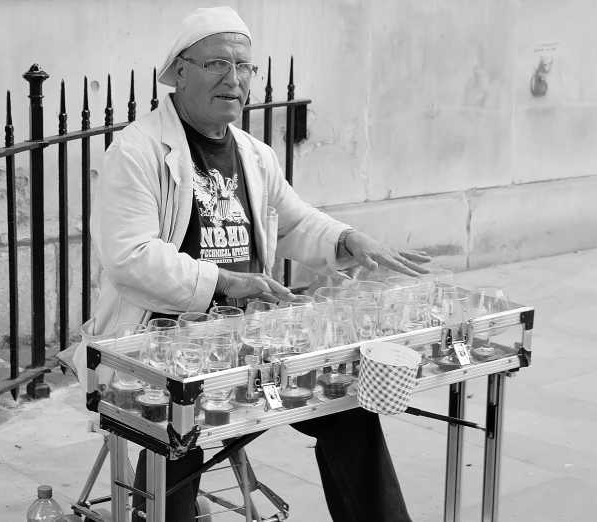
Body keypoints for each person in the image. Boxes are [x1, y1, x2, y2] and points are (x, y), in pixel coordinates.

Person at [72, 6, 430, 522]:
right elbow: (130, 258)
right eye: (217, 64)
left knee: (350, 407)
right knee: (175, 444)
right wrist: (225, 282)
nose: (234, 79)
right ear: (178, 72)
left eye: (244, 67)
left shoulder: (255, 154)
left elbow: (293, 223)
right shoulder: (136, 151)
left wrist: (350, 239)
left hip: (253, 346)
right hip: (160, 350)